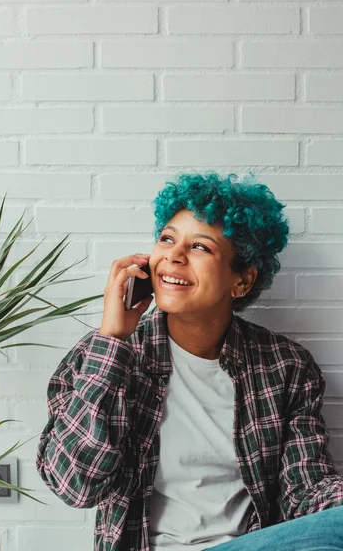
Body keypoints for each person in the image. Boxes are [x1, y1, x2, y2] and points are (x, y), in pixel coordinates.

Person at [36, 172, 343, 551]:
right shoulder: (101, 356)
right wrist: (113, 340)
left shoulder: (285, 367)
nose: (174, 256)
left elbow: (306, 489)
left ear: (242, 281)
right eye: (167, 239)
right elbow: (75, 487)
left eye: (200, 247)